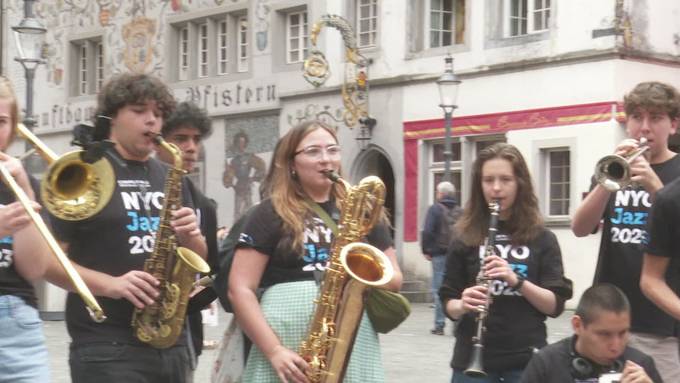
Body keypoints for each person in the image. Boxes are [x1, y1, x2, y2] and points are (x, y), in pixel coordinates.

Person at [45, 73, 208, 383]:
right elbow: (48, 262)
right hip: (106, 343)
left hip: (168, 341)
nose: (152, 122)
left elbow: (198, 259)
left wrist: (192, 237)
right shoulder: (82, 173)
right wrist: (111, 285)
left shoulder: (170, 174)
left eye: (158, 114)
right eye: (139, 111)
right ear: (112, 118)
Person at [227, 120, 403, 383]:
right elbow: (239, 288)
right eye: (313, 152)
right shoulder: (267, 213)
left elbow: (395, 279)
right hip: (285, 342)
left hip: (351, 336)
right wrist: (275, 351)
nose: (326, 159)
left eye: (332, 150)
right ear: (291, 163)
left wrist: (352, 274)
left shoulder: (363, 209)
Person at [571, 81, 680, 382]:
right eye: (636, 117)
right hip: (607, 317)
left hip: (660, 325)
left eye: (655, 118)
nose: (644, 128)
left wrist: (656, 188)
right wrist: (607, 182)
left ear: (673, 124)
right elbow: (580, 228)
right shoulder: (614, 167)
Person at [439, 143, 573, 383]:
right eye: (488, 180)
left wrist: (517, 281)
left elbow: (555, 306)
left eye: (505, 179)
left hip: (526, 362)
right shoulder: (464, 236)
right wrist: (462, 304)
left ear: (520, 182)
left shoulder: (542, 238)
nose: (496, 188)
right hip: (471, 360)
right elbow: (447, 299)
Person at [157, 101, 219, 380]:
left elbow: (213, 272)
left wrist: (186, 304)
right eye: (180, 138)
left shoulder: (204, 204)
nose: (192, 147)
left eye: (196, 139)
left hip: (184, 333)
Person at [0, 76, 52, 382]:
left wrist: (24, 189)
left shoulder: (21, 182)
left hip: (18, 324)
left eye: (3, 121)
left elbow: (34, 268)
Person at [521, 284, 661, 383]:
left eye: (623, 333)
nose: (616, 346)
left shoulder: (641, 365)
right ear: (577, 325)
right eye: (604, 334)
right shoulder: (547, 364)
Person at [421, 180, 461, 335]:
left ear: (441, 194)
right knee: (458, 289)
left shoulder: (435, 209)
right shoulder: (460, 211)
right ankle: (457, 324)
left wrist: (427, 250)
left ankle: (439, 325)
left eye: (437, 192)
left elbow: (428, 231)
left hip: (439, 254)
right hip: (456, 255)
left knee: (439, 289)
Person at [223, 130, 266, 220]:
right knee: (238, 212)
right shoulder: (234, 160)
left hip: (247, 186)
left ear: (245, 143)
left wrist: (254, 178)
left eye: (242, 142)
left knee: (250, 209)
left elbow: (261, 166)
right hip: (239, 187)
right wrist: (230, 182)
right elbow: (229, 175)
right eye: (239, 142)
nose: (241, 145)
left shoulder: (249, 157)